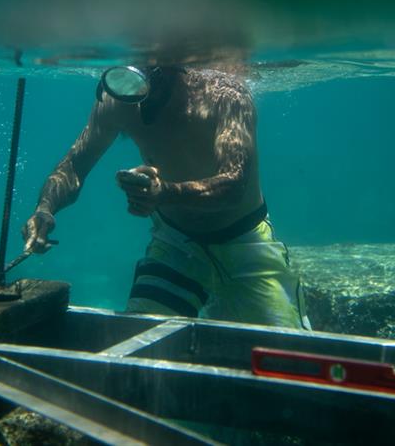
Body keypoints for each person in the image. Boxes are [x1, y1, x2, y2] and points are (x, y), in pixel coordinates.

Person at [22, 64, 308, 329]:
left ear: (178, 67)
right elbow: (74, 165)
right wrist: (45, 208)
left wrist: (166, 193)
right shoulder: (117, 100)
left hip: (245, 242)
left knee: (284, 351)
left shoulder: (227, 95)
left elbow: (234, 186)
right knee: (140, 338)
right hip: (175, 243)